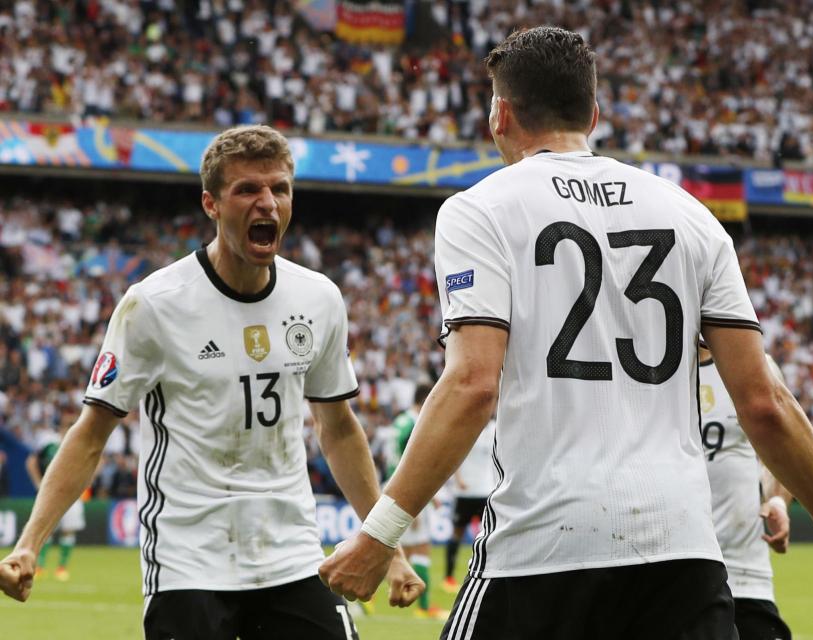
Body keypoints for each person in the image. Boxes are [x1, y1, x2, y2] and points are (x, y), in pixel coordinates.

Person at [319, 26, 813, 640]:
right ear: (594, 113)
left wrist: (379, 533)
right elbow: (764, 401)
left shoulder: (479, 210)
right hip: (681, 551)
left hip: (546, 545)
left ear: (500, 114)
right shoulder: (690, 215)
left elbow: (471, 385)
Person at [0, 124, 423, 639]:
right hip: (188, 559)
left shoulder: (319, 298)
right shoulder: (154, 304)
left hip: (289, 551)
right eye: (247, 189)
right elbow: (91, 434)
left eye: (280, 189)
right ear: (211, 204)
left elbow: (337, 428)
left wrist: (389, 548)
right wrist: (29, 544)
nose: (267, 203)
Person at [699, 343, 793, 640]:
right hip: (681, 573)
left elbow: (782, 449)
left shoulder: (754, 366)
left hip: (745, 575)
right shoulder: (649, 373)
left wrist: (777, 499)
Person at [384, 382, 448, 620]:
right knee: (420, 549)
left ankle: (368, 600)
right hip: (406, 493)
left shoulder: (400, 421)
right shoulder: (414, 424)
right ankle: (423, 608)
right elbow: (415, 466)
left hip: (392, 491)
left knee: (405, 552)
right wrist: (421, 504)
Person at [26, 417, 86, 582]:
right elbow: (31, 461)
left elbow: (95, 461)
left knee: (68, 530)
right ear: (61, 427)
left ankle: (62, 568)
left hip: (73, 492)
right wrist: (38, 483)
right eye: (67, 425)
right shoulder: (48, 443)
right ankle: (39, 566)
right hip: (50, 492)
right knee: (46, 529)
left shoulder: (82, 443)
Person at [442, 417, 495, 594]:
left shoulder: (495, 429)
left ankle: (487, 574)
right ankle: (448, 577)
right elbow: (454, 454)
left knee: (489, 534)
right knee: (457, 533)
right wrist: (458, 479)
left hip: (486, 490)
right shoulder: (467, 427)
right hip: (464, 491)